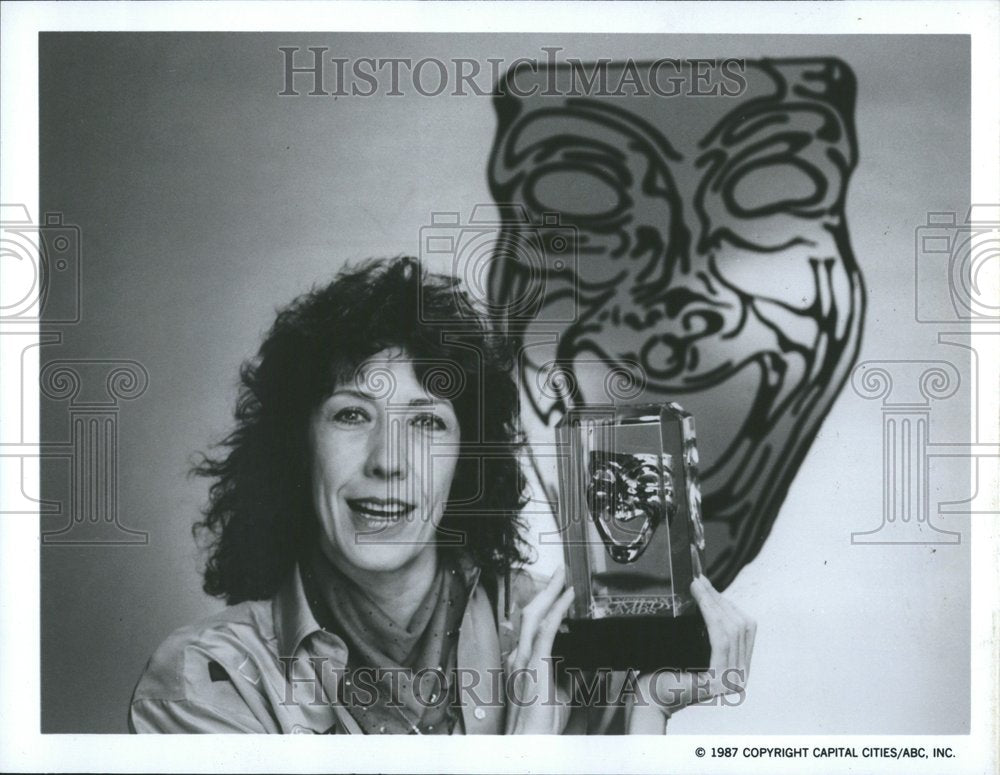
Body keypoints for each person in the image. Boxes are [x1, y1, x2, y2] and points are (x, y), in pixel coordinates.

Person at [129, 255, 755, 734]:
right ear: (298, 445)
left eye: (427, 422)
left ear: (467, 462)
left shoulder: (567, 639)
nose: (388, 463)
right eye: (352, 415)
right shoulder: (203, 678)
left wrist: (647, 708)